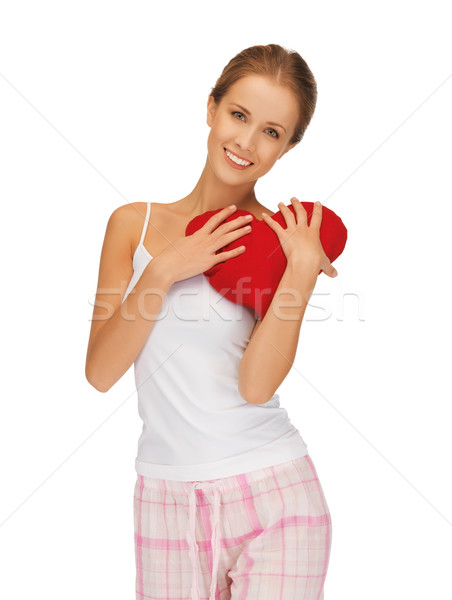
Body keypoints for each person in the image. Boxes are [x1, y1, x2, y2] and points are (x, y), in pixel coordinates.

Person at [85, 43, 336, 600]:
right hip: (164, 499)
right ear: (211, 108)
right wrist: (165, 270)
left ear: (288, 148)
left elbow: (257, 384)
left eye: (272, 132)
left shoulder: (280, 243)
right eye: (238, 115)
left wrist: (300, 269)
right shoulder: (134, 224)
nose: (246, 142)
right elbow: (100, 372)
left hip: (275, 493)